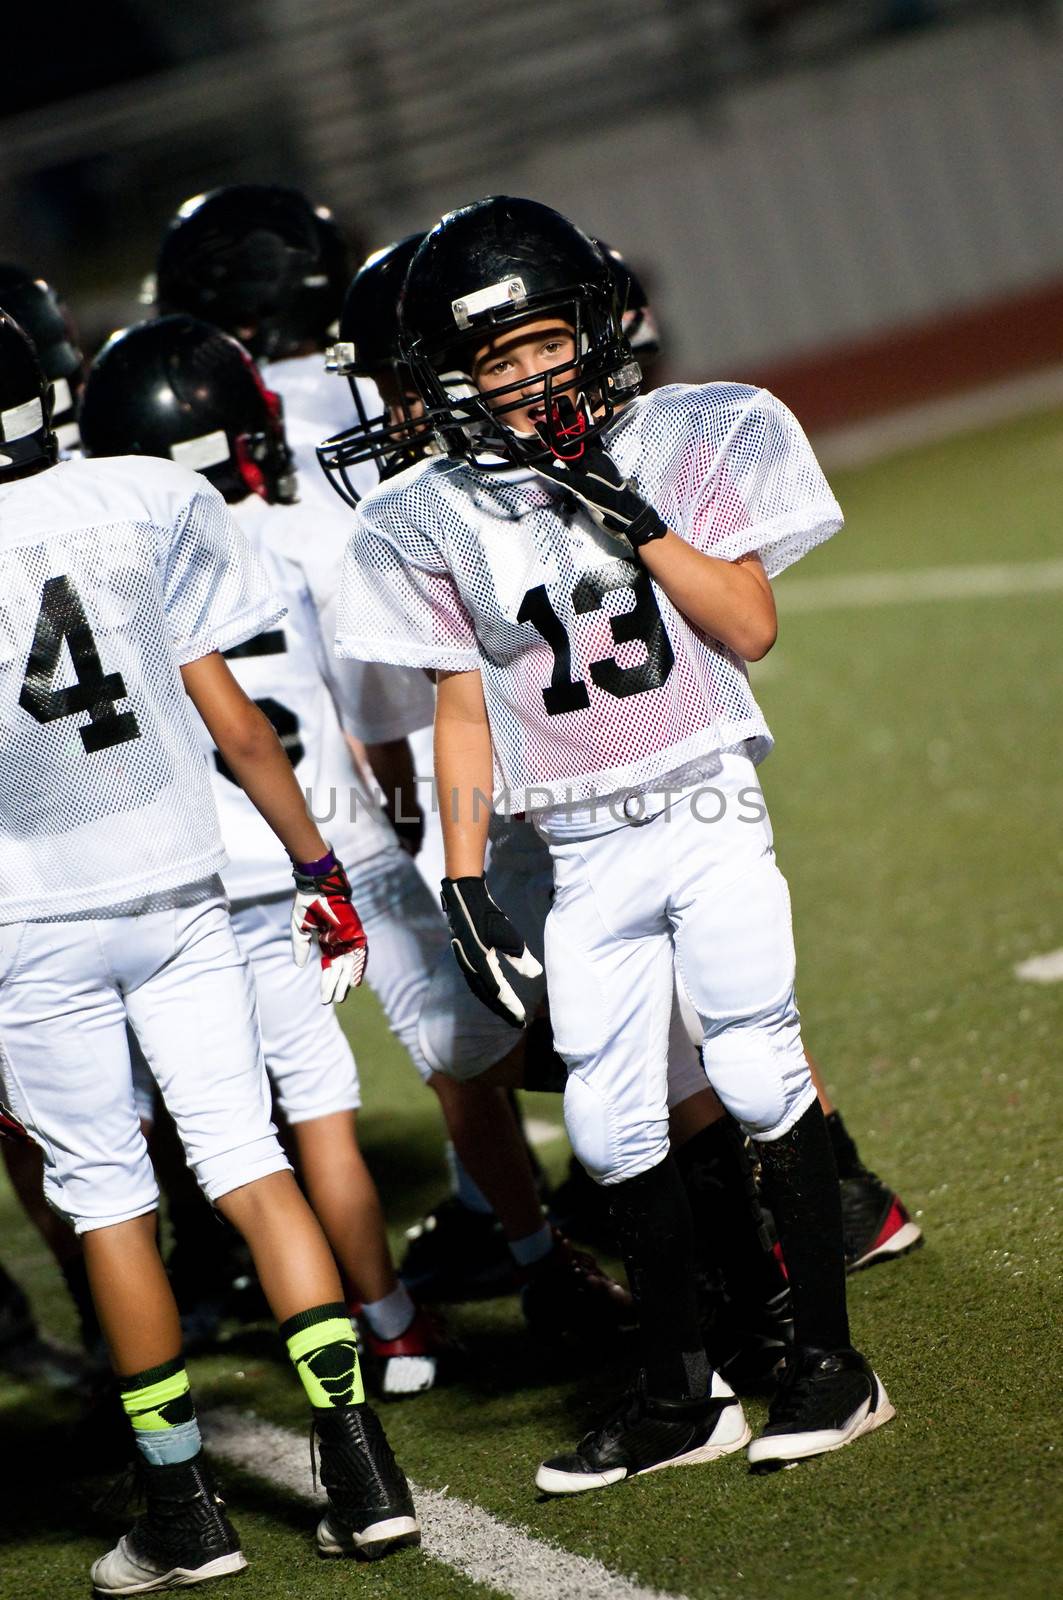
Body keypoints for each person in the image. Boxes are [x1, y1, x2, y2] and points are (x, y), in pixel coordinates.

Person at [335, 197, 895, 1490]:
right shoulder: (431, 512)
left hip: (701, 806)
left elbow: (747, 626)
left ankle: (827, 1366)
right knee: (604, 1114)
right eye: (495, 357)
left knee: (754, 1074)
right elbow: (461, 707)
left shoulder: (686, 437)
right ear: (451, 380)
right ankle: (678, 1394)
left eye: (539, 341)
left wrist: (625, 508)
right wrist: (466, 877)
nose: (528, 375)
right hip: (579, 848)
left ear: (586, 329)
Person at [0, 311, 417, 1588]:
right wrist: (315, 861)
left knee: (109, 1198)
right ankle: (361, 1466)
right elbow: (235, 724)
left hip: (30, 926)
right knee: (250, 1163)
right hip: (181, 890)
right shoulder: (139, 496)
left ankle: (182, 1506)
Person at [77, 311, 450, 1394]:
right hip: (301, 849)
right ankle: (390, 1324)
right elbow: (313, 717)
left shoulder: (108, 565)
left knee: (212, 1148)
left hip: (174, 880)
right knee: (322, 1115)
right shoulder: (292, 539)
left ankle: (174, 1361)